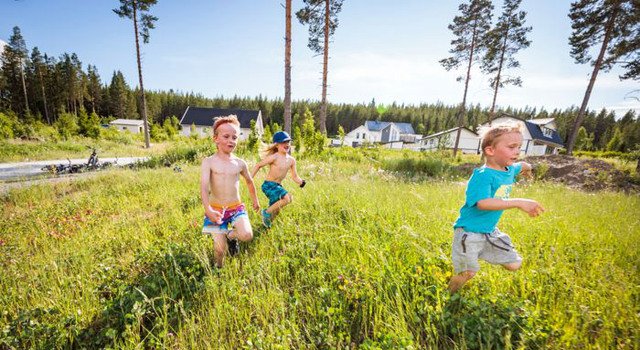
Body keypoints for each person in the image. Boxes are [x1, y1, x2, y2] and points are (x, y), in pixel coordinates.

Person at [448, 121, 545, 293]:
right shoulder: (483, 176)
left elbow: (521, 165)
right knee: (467, 272)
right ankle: (450, 296)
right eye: (511, 147)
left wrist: (528, 168)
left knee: (514, 264)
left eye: (519, 147)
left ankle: (481, 252)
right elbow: (483, 203)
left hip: (490, 232)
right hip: (469, 232)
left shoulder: (509, 169)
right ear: (490, 151)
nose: (517, 151)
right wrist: (518, 202)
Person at [200, 115, 260, 267]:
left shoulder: (240, 163)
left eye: (234, 137)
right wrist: (208, 209)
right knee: (219, 249)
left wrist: (255, 200)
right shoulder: (209, 162)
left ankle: (231, 236)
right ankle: (219, 269)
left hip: (236, 208)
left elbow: (249, 181)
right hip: (215, 210)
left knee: (246, 235)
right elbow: (204, 186)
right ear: (216, 139)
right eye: (226, 136)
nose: (231, 140)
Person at [251, 131, 305, 228]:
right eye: (283, 142)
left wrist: (301, 182)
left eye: (288, 142)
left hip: (277, 186)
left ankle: (266, 225)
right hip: (269, 185)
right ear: (276, 145)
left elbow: (295, 176)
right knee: (287, 198)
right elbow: (258, 165)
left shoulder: (292, 160)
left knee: (276, 210)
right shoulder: (274, 157)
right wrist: (249, 178)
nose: (287, 144)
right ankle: (265, 212)